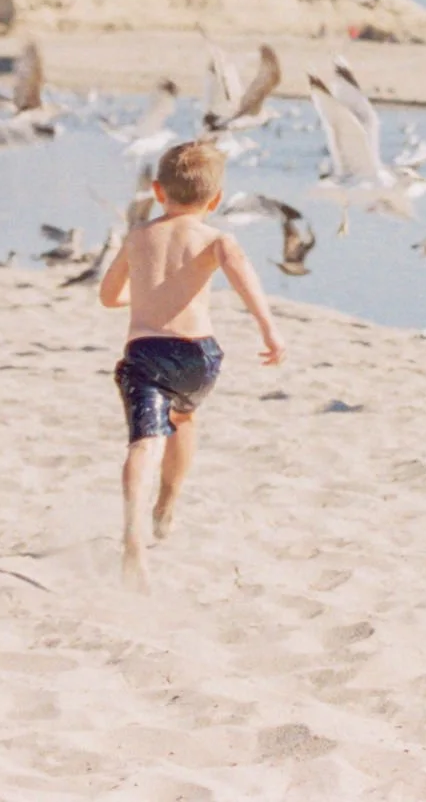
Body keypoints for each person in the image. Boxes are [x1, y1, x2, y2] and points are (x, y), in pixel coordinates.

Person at [100, 139, 286, 585]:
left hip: (146, 354)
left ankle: (132, 538)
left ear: (158, 192)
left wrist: (140, 298)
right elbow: (243, 276)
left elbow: (108, 297)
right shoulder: (216, 238)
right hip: (197, 355)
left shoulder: (138, 236)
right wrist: (268, 328)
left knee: (144, 443)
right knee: (183, 417)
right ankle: (167, 504)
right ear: (216, 200)